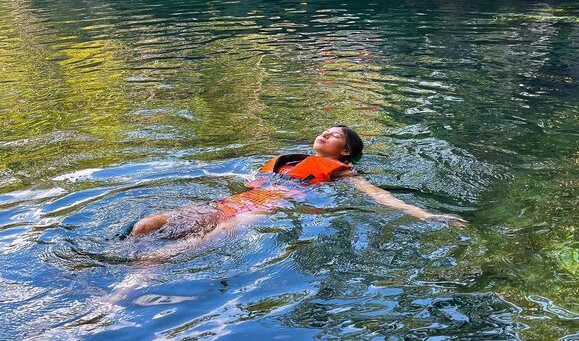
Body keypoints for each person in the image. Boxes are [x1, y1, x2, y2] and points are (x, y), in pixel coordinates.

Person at [131, 125, 465, 249]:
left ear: (344, 152)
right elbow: (245, 180)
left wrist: (423, 214)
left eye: (334, 135)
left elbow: (377, 195)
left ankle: (128, 287)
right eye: (325, 131)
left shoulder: (341, 171)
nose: (325, 134)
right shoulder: (285, 161)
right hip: (233, 201)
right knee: (146, 225)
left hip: (268, 208)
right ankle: (130, 256)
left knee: (172, 251)